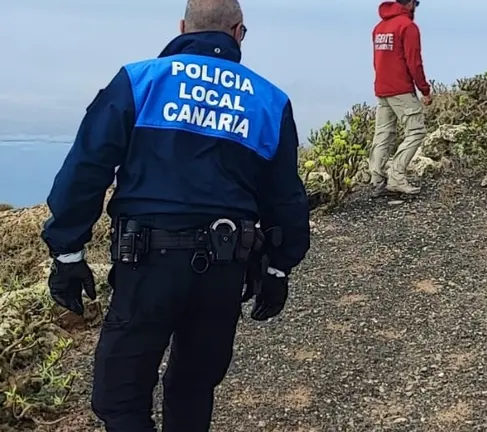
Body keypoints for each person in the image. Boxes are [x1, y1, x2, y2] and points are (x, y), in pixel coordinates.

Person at [40, 0, 310, 430]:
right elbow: (286, 196)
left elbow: (86, 168)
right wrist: (278, 268)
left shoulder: (139, 81)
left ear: (183, 27)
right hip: (224, 269)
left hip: (146, 263)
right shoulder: (269, 101)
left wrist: (68, 252)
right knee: (192, 388)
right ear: (239, 32)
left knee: (121, 399)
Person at [369, 0, 431, 197]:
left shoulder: (379, 27)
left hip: (382, 87)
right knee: (416, 131)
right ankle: (396, 177)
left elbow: (377, 60)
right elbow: (414, 61)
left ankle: (377, 179)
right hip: (401, 89)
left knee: (383, 134)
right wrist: (425, 89)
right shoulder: (408, 26)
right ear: (411, 3)